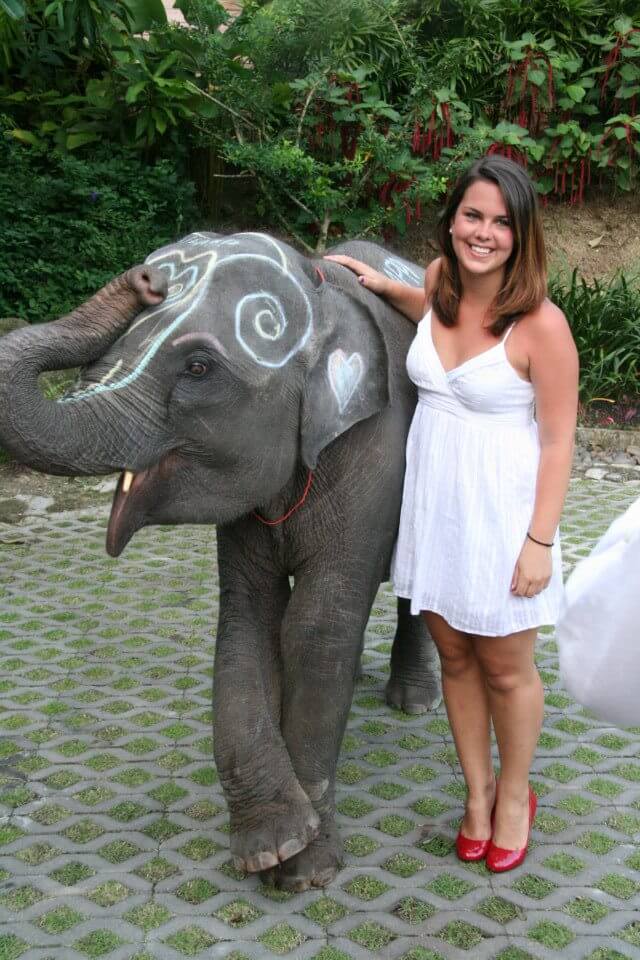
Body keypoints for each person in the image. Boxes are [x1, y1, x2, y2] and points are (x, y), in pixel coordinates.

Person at [326, 155, 579, 873]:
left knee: (505, 667)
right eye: (473, 215)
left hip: (505, 513)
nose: (483, 233)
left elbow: (559, 441)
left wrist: (539, 542)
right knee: (456, 656)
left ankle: (515, 796)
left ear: (522, 233)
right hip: (436, 505)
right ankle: (477, 793)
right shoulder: (440, 282)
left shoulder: (541, 326)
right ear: (453, 220)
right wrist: (383, 286)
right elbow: (429, 314)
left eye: (501, 222)